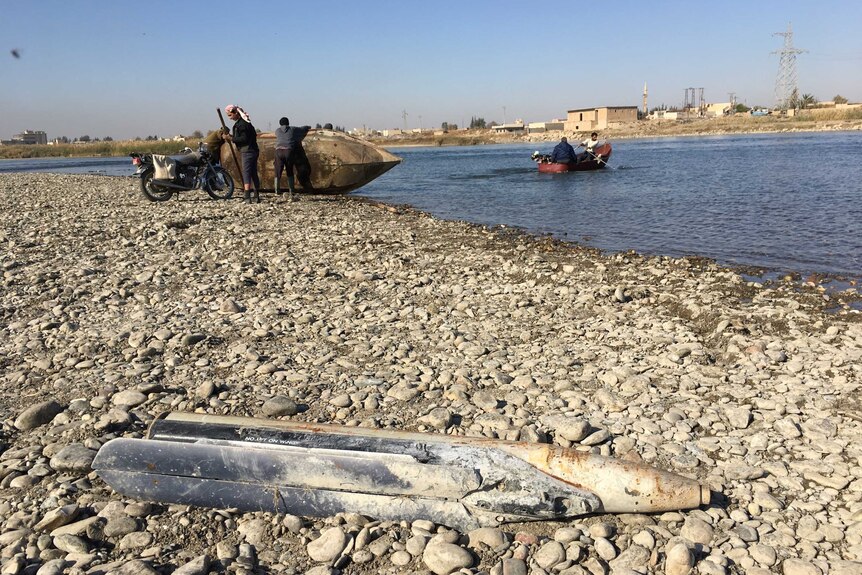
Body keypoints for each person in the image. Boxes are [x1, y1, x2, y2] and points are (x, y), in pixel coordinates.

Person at [222, 104, 260, 204]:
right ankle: (256, 195)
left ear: (235, 113)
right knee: (253, 172)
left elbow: (244, 139)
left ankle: (247, 196)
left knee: (247, 173)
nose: (230, 118)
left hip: (247, 151)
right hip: (253, 150)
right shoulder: (246, 123)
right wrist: (231, 137)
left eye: (230, 115)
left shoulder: (242, 124)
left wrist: (231, 138)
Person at [273, 117, 313, 201]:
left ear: (280, 123)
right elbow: (302, 129)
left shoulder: (277, 131)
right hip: (288, 151)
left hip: (278, 151)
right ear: (288, 123)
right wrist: (308, 127)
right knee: (289, 169)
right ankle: (291, 190)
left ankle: (277, 191)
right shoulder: (292, 129)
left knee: (278, 170)